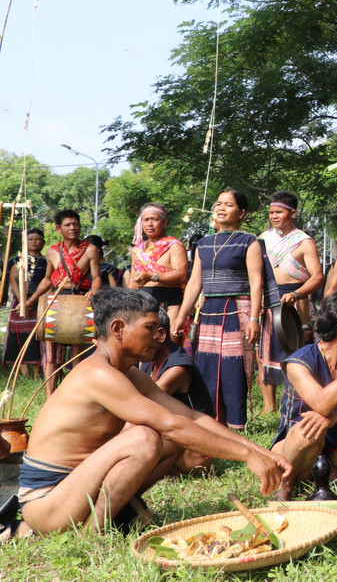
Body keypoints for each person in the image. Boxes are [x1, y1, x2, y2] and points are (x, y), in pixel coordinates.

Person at [17, 288, 291, 535]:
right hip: (47, 503)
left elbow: (191, 417)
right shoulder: (98, 374)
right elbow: (172, 425)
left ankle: (113, 514)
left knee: (166, 443)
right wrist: (246, 456)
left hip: (76, 489)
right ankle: (92, 533)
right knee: (145, 438)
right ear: (118, 328)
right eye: (149, 327)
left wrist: (263, 453)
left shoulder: (129, 374)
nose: (158, 336)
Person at [173, 189, 280, 429]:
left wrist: (254, 317)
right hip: (210, 310)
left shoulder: (249, 241)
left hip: (238, 311)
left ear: (241, 213)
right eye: (218, 204)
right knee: (207, 366)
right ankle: (210, 423)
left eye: (228, 204)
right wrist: (181, 316)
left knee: (234, 368)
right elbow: (194, 283)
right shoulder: (203, 244)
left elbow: (256, 282)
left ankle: (235, 425)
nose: (221, 208)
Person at [270, 292, 337, 501]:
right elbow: (321, 405)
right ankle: (285, 487)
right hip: (295, 453)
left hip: (333, 455)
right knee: (307, 431)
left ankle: (325, 485)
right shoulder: (298, 362)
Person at [258, 191, 324, 412]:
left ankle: (294, 402)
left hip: (293, 300)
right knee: (264, 352)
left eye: (279, 212)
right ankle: (269, 407)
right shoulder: (262, 239)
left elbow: (317, 277)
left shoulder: (304, 242)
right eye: (271, 212)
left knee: (291, 351)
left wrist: (296, 294)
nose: (274, 216)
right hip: (267, 299)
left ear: (292, 213)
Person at [25, 210, 101, 396]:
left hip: (80, 302)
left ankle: (75, 394)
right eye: (67, 225)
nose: (72, 228)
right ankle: (50, 395)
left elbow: (97, 277)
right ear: (58, 228)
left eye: (75, 224)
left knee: (77, 352)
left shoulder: (90, 250)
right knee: (51, 354)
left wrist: (94, 289)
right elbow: (48, 280)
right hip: (55, 303)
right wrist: (30, 301)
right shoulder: (51, 252)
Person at [139, 308, 215, 475]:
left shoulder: (178, 368)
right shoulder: (147, 359)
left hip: (195, 454)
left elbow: (143, 404)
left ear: (160, 335)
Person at [128, 203, 189, 328]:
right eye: (146, 220)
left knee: (170, 342)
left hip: (170, 304)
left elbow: (182, 276)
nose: (150, 224)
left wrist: (152, 276)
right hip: (143, 305)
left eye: (154, 219)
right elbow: (133, 282)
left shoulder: (174, 246)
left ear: (164, 222)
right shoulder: (138, 250)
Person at [2, 228, 47, 378]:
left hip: (40, 301)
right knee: (19, 336)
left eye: (37, 239)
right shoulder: (17, 260)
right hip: (19, 303)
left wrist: (32, 300)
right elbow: (13, 280)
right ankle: (24, 374)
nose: (34, 242)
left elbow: (49, 281)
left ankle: (36, 374)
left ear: (43, 242)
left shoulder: (47, 261)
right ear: (25, 242)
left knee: (38, 336)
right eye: (30, 239)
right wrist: (22, 300)